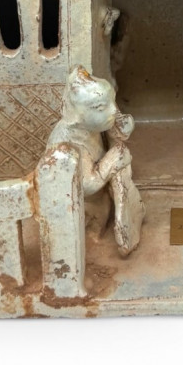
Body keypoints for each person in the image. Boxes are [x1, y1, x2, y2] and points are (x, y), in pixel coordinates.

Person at [46, 66, 145, 255]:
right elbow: (86, 185)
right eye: (101, 107)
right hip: (82, 205)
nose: (113, 110)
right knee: (90, 226)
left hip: (100, 198)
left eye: (112, 101)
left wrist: (120, 127)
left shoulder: (89, 126)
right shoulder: (69, 143)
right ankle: (90, 241)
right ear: (77, 114)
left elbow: (117, 132)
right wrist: (112, 160)